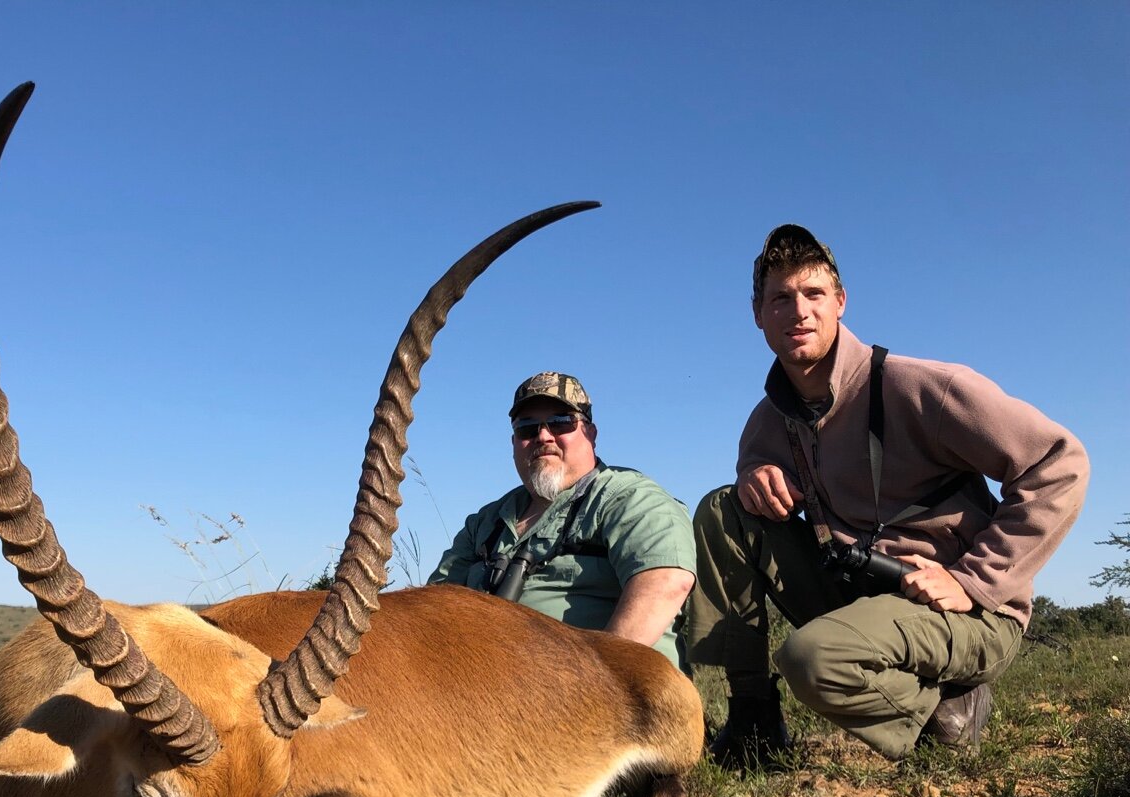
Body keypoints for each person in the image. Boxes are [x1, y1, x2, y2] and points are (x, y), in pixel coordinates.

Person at [688, 224, 1089, 766]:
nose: (799, 311)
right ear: (758, 314)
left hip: (966, 611)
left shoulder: (923, 386)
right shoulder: (768, 421)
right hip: (863, 595)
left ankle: (942, 711)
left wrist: (975, 580)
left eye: (814, 294)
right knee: (723, 509)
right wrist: (754, 474)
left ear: (841, 303)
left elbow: (1060, 461)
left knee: (811, 659)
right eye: (780, 298)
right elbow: (751, 492)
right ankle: (754, 717)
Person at [430, 371, 696, 668]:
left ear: (590, 432)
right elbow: (430, 607)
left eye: (560, 422)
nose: (543, 436)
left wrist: (591, 684)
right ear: (514, 441)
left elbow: (666, 582)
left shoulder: (629, 497)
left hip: (601, 695)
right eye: (527, 428)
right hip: (484, 692)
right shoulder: (485, 522)